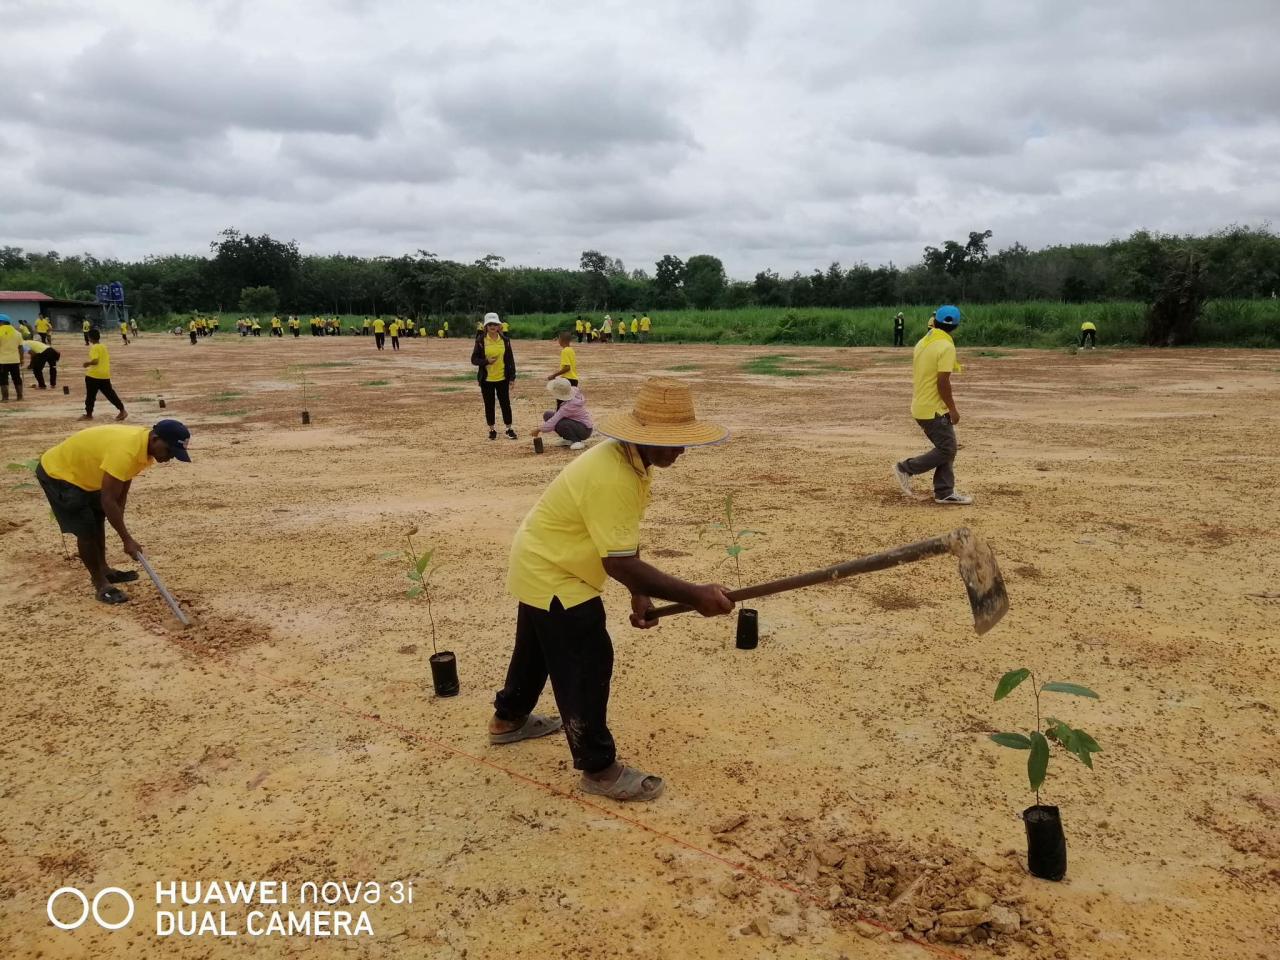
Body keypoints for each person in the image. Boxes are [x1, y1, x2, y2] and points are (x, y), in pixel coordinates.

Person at [489, 377, 734, 801]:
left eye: (683, 442)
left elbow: (620, 537)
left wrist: (639, 593)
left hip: (540, 559)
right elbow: (619, 562)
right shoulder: (614, 475)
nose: (680, 451)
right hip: (556, 573)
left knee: (536, 645)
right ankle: (599, 769)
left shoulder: (630, 462)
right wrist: (695, 595)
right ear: (643, 437)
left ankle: (508, 718)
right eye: (671, 443)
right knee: (586, 660)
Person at [36, 419, 191, 604]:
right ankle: (100, 583)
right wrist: (127, 539)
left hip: (85, 475)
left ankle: (105, 570)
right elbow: (108, 499)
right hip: (59, 473)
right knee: (86, 529)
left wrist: (119, 518)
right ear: (156, 439)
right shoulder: (125, 451)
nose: (170, 457)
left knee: (99, 516)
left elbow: (123, 485)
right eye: (170, 451)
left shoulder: (144, 448)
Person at [892, 304, 972, 505]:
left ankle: (944, 492)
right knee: (947, 449)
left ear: (934, 321)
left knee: (947, 446)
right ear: (955, 326)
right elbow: (943, 382)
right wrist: (953, 409)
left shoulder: (922, 342)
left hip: (921, 404)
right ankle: (906, 468)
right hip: (933, 409)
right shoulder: (946, 347)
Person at [471, 312, 517, 440]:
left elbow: (510, 360)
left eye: (495, 324)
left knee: (505, 404)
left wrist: (512, 377)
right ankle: (492, 430)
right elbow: (474, 359)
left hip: (502, 378)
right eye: (489, 324)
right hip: (487, 380)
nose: (492, 326)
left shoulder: (505, 341)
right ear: (485, 326)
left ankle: (509, 429)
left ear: (499, 326)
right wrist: (486, 361)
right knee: (489, 404)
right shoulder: (481, 341)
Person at [81, 328, 127, 421]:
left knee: (90, 396)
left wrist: (87, 363)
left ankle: (89, 414)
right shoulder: (103, 346)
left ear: (90, 338)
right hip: (104, 375)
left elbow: (95, 361)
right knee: (110, 394)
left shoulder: (94, 347)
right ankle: (122, 410)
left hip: (93, 375)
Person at [534, 378, 593, 449]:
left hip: (585, 430)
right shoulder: (574, 390)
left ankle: (576, 441)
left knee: (562, 423)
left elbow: (553, 421)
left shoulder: (567, 407)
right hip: (577, 424)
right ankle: (568, 439)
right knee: (548, 415)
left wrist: (538, 430)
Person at [0, 315, 24, 401]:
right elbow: (20, 347)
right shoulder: (17, 333)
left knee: (3, 379)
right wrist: (22, 359)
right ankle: (20, 396)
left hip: (2, 361)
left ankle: (5, 398)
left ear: (1, 322)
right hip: (15, 360)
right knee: (17, 378)